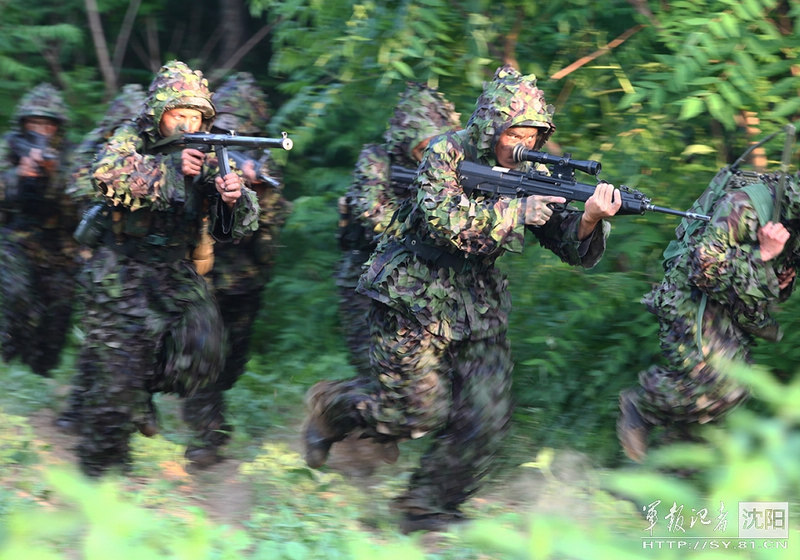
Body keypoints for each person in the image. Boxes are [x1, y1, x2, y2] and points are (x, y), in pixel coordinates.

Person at [302, 64, 622, 532]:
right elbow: (446, 223)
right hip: (411, 297)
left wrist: (591, 217)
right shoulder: (446, 153)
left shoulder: (532, 169)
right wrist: (517, 212)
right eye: (517, 131)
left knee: (487, 412)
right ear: (492, 124)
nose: (525, 144)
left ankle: (426, 505)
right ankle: (331, 410)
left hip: (475, 305)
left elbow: (566, 239)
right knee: (413, 409)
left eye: (535, 134)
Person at [74, 60, 260, 476]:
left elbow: (238, 228)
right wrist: (171, 171)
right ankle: (101, 476)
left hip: (175, 270)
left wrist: (235, 199)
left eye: (196, 116)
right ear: (158, 116)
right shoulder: (131, 139)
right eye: (180, 115)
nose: (188, 124)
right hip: (121, 267)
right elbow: (106, 175)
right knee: (113, 391)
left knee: (205, 352)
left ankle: (139, 389)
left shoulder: (209, 153)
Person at [617, 163, 800, 463]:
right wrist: (763, 256)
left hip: (733, 303)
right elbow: (705, 268)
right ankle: (643, 403)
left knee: (713, 411)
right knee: (725, 387)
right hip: (691, 297)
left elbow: (771, 281)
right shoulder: (747, 205)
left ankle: (662, 484)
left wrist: (777, 280)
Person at [181, 72, 291, 458]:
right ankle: (207, 437)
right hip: (205, 275)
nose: (230, 136)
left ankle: (207, 411)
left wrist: (254, 195)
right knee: (202, 354)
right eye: (226, 128)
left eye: (241, 131)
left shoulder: (266, 162)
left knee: (231, 362)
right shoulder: (197, 152)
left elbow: (271, 233)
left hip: (245, 280)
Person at [336, 82, 461, 376]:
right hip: (365, 280)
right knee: (374, 373)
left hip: (424, 286)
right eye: (422, 143)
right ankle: (332, 414)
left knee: (429, 376)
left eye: (436, 140)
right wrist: (433, 216)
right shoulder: (378, 161)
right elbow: (372, 213)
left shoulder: (450, 166)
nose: (430, 149)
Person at [55, 83, 153, 435]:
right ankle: (79, 409)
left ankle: (115, 415)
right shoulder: (101, 147)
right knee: (99, 339)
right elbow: (77, 184)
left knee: (124, 342)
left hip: (138, 257)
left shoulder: (153, 149)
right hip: (99, 251)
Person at [0, 83, 80, 377]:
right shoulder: (9, 148)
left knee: (57, 318)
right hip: (16, 240)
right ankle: (8, 362)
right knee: (17, 297)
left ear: (58, 127)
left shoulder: (72, 156)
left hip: (61, 248)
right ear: (23, 124)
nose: (40, 130)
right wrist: (16, 177)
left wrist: (53, 176)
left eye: (47, 124)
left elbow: (80, 205)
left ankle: (40, 373)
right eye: (34, 123)